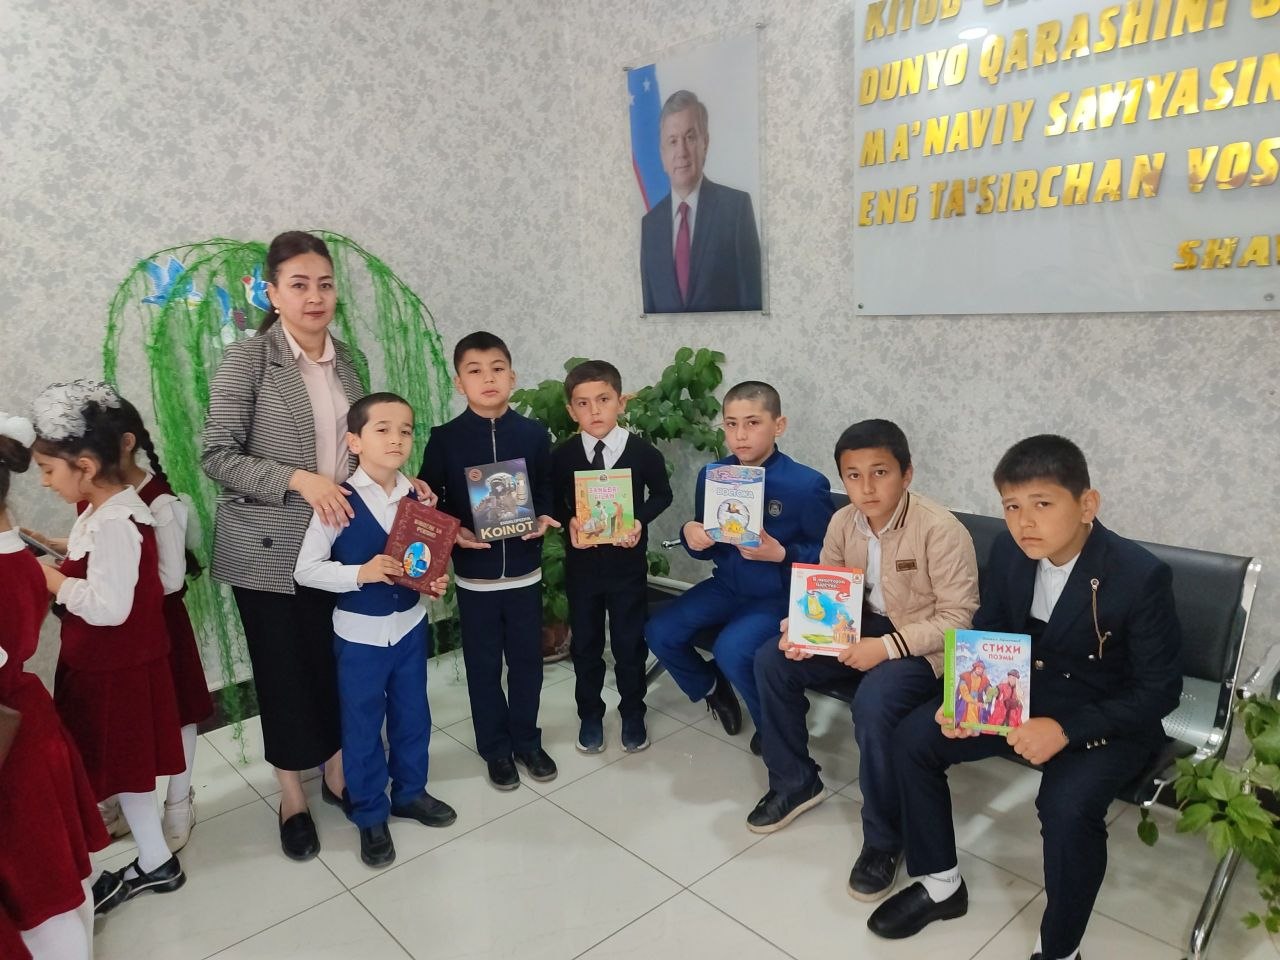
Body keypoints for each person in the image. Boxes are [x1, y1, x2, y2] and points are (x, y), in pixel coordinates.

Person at [867, 435, 1183, 960]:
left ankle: (1059, 947)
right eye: (1011, 506)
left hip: (1106, 718)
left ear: (1087, 504)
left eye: (1042, 504)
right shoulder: (1010, 553)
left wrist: (1065, 730)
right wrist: (962, 697)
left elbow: (1159, 690)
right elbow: (989, 632)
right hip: (1018, 697)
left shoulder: (1139, 575)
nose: (1024, 522)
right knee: (914, 738)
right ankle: (941, 883)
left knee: (1066, 806)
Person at [202, 231, 434, 861]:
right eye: (298, 285)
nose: (314, 297)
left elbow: (368, 443)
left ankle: (337, 774)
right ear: (273, 293)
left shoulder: (348, 360)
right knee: (284, 675)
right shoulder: (248, 360)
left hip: (344, 542)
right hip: (269, 548)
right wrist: (298, 479)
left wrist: (405, 483)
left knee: (337, 667)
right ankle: (292, 798)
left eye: (325, 285)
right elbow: (216, 455)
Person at [749, 419, 979, 904]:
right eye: (853, 476)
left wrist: (888, 647)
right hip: (857, 628)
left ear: (906, 474)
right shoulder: (842, 522)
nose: (867, 487)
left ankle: (884, 838)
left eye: (880, 473)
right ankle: (795, 782)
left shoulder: (940, 530)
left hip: (925, 646)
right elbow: (827, 592)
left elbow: (958, 620)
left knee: (875, 702)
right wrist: (803, 629)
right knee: (773, 658)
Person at [30, 381, 186, 914]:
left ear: (86, 466)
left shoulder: (119, 520)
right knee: (124, 769)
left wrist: (49, 579)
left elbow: (110, 606)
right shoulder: (101, 511)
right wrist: (57, 558)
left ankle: (156, 861)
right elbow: (99, 570)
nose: (45, 482)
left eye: (49, 470)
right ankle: (155, 857)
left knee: (127, 768)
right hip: (101, 666)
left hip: (115, 670)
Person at [295, 392, 457, 869]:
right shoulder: (337, 502)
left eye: (405, 430)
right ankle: (369, 812)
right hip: (359, 636)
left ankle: (410, 792)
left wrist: (434, 582)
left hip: (409, 628)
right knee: (362, 725)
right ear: (355, 441)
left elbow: (422, 561)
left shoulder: (419, 498)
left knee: (413, 714)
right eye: (382, 429)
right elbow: (306, 569)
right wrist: (359, 574)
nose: (396, 439)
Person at [645, 381, 832, 749]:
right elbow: (706, 545)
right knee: (660, 631)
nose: (740, 435)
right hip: (727, 585)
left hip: (779, 595)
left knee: (732, 650)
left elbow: (830, 556)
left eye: (753, 423)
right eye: (731, 424)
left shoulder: (806, 485)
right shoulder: (715, 475)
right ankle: (711, 686)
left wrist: (782, 553)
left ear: (779, 425)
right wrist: (690, 533)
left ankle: (775, 726)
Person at [417, 332, 559, 791]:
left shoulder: (533, 435)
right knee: (482, 666)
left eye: (497, 368)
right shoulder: (445, 440)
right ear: (459, 383)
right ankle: (495, 749)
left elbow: (547, 487)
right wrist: (454, 530)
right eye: (475, 371)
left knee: (527, 663)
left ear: (512, 376)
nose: (488, 378)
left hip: (524, 571)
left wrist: (543, 515)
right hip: (475, 577)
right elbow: (429, 499)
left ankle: (528, 741)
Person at [0, 411, 109, 958]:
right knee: (60, 882)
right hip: (29, 723)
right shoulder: (18, 555)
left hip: (11, 746)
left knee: (42, 894)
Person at [550, 360, 672, 753]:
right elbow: (551, 501)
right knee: (585, 644)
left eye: (603, 400)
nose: (595, 411)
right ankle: (590, 715)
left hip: (626, 567)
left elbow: (663, 495)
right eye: (583, 404)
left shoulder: (643, 453)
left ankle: (633, 712)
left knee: (628, 643)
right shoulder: (562, 456)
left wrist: (638, 521)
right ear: (571, 411)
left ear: (621, 402)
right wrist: (568, 520)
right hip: (582, 568)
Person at [640, 90, 762, 313]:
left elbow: (753, 304)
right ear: (662, 155)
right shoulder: (649, 226)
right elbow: (650, 314)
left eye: (690, 137)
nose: (682, 152)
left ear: (705, 143)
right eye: (673, 141)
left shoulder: (736, 210)